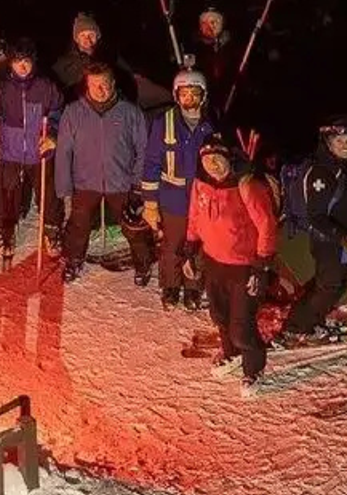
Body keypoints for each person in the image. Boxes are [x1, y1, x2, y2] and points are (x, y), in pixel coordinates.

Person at [186, 134, 279, 389]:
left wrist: (261, 267)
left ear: (229, 158)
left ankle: (253, 368)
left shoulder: (246, 185)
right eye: (207, 159)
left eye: (218, 158)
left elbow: (266, 226)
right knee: (219, 315)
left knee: (241, 327)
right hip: (214, 262)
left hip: (244, 266)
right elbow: (194, 215)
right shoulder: (200, 184)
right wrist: (190, 249)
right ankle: (232, 354)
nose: (213, 164)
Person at [54, 61, 154, 284]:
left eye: (105, 84)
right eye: (95, 85)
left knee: (133, 226)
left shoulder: (130, 112)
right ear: (86, 86)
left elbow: (143, 149)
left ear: (113, 84)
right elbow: (63, 152)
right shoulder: (73, 113)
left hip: (122, 183)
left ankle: (143, 264)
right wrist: (63, 187)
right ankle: (73, 261)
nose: (101, 90)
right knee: (78, 226)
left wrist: (138, 184)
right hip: (85, 183)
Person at [278, 115, 347, 344]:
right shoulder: (321, 172)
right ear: (328, 143)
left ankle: (314, 318)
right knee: (329, 285)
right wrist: (346, 241)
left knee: (338, 281)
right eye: (340, 141)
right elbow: (316, 217)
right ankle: (296, 327)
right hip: (330, 241)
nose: (346, 145)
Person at [140, 68, 214, 309]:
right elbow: (151, 163)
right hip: (173, 200)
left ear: (203, 96)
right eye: (184, 94)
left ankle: (193, 288)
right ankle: (170, 286)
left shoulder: (212, 125)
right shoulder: (164, 124)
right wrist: (150, 203)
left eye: (194, 94)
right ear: (176, 95)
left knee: (199, 248)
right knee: (172, 246)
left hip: (203, 202)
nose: (189, 99)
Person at [0, 38, 63, 269]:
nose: (23, 67)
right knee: (7, 193)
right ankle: (6, 234)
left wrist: (52, 134)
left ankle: (51, 230)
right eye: (18, 62)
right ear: (10, 63)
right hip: (11, 150)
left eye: (27, 62)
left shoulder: (46, 86)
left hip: (38, 149)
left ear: (33, 63)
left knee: (48, 193)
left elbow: (59, 112)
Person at [51, 12, 170, 110]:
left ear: (97, 36)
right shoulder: (64, 64)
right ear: (76, 39)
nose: (87, 39)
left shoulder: (109, 55)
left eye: (91, 34)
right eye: (83, 35)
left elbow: (130, 77)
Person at [189, 7, 235, 91]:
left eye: (215, 22)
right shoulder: (194, 48)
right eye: (204, 22)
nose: (210, 26)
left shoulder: (231, 47)